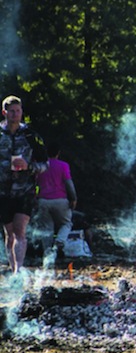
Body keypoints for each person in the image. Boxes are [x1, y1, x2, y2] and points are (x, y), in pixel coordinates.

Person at [0, 96, 48, 274]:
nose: (15, 114)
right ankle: (13, 268)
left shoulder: (30, 135)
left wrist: (29, 166)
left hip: (25, 190)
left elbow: (46, 164)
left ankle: (18, 271)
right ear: (5, 112)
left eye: (18, 110)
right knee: (9, 233)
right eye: (12, 111)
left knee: (20, 230)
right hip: (3, 192)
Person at [35, 141, 78, 255]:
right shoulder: (63, 166)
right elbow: (68, 183)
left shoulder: (40, 166)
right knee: (66, 223)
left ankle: (48, 254)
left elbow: (35, 184)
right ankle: (59, 241)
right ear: (58, 153)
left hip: (43, 200)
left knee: (46, 229)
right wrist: (73, 198)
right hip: (60, 200)